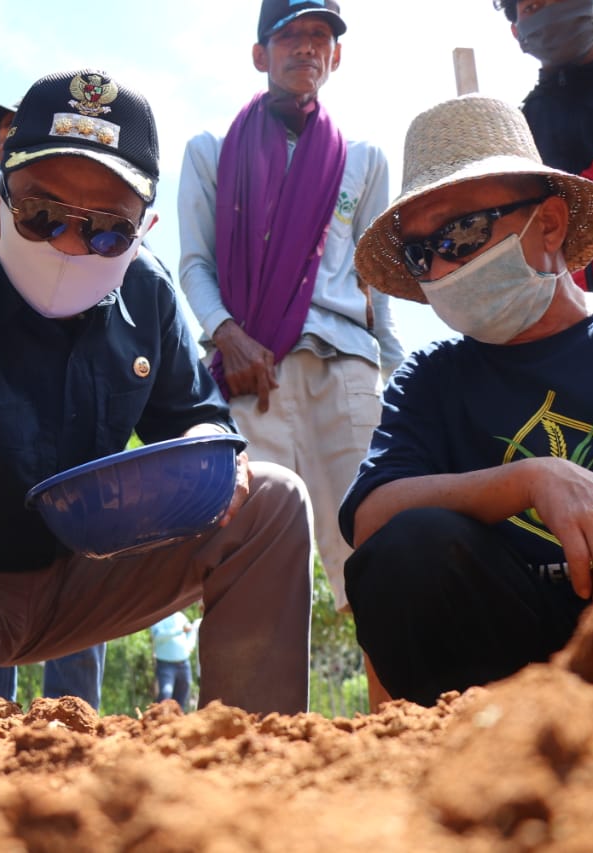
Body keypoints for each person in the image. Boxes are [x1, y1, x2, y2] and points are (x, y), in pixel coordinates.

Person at [0, 68, 314, 719]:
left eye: (108, 230)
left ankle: (258, 754)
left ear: (144, 229)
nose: (73, 246)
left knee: (271, 501)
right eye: (42, 215)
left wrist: (211, 455)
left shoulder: (148, 295)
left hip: (93, 568)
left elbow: (198, 421)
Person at [342, 94, 593, 707]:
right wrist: (531, 479)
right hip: (502, 673)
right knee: (409, 549)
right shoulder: (431, 381)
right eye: (421, 252)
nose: (440, 265)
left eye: (461, 233)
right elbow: (372, 522)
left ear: (549, 223)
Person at [178, 0, 403, 613]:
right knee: (255, 553)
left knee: (372, 544)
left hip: (347, 368)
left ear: (336, 55)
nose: (306, 47)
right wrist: (227, 334)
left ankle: (399, 706)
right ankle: (256, 712)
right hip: (254, 376)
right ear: (261, 55)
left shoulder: (364, 159)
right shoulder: (211, 150)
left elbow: (372, 274)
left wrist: (391, 363)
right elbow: (195, 263)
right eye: (290, 36)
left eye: (320, 36)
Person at [0, 96, 108, 711]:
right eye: (2, 138)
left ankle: (71, 732)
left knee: (75, 674)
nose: (7, 144)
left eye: (18, 133)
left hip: (78, 500)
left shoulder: (108, 270)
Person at [495, 0, 593, 292]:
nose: (551, 13)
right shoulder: (518, 130)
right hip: (571, 319)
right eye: (533, 7)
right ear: (516, 31)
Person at [149, 610, 200, 712]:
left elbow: (191, 631)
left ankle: (176, 723)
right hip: (165, 664)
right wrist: (179, 630)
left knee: (182, 694)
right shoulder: (157, 617)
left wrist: (189, 645)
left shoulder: (180, 616)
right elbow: (157, 637)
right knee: (165, 693)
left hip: (183, 663)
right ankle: (159, 720)